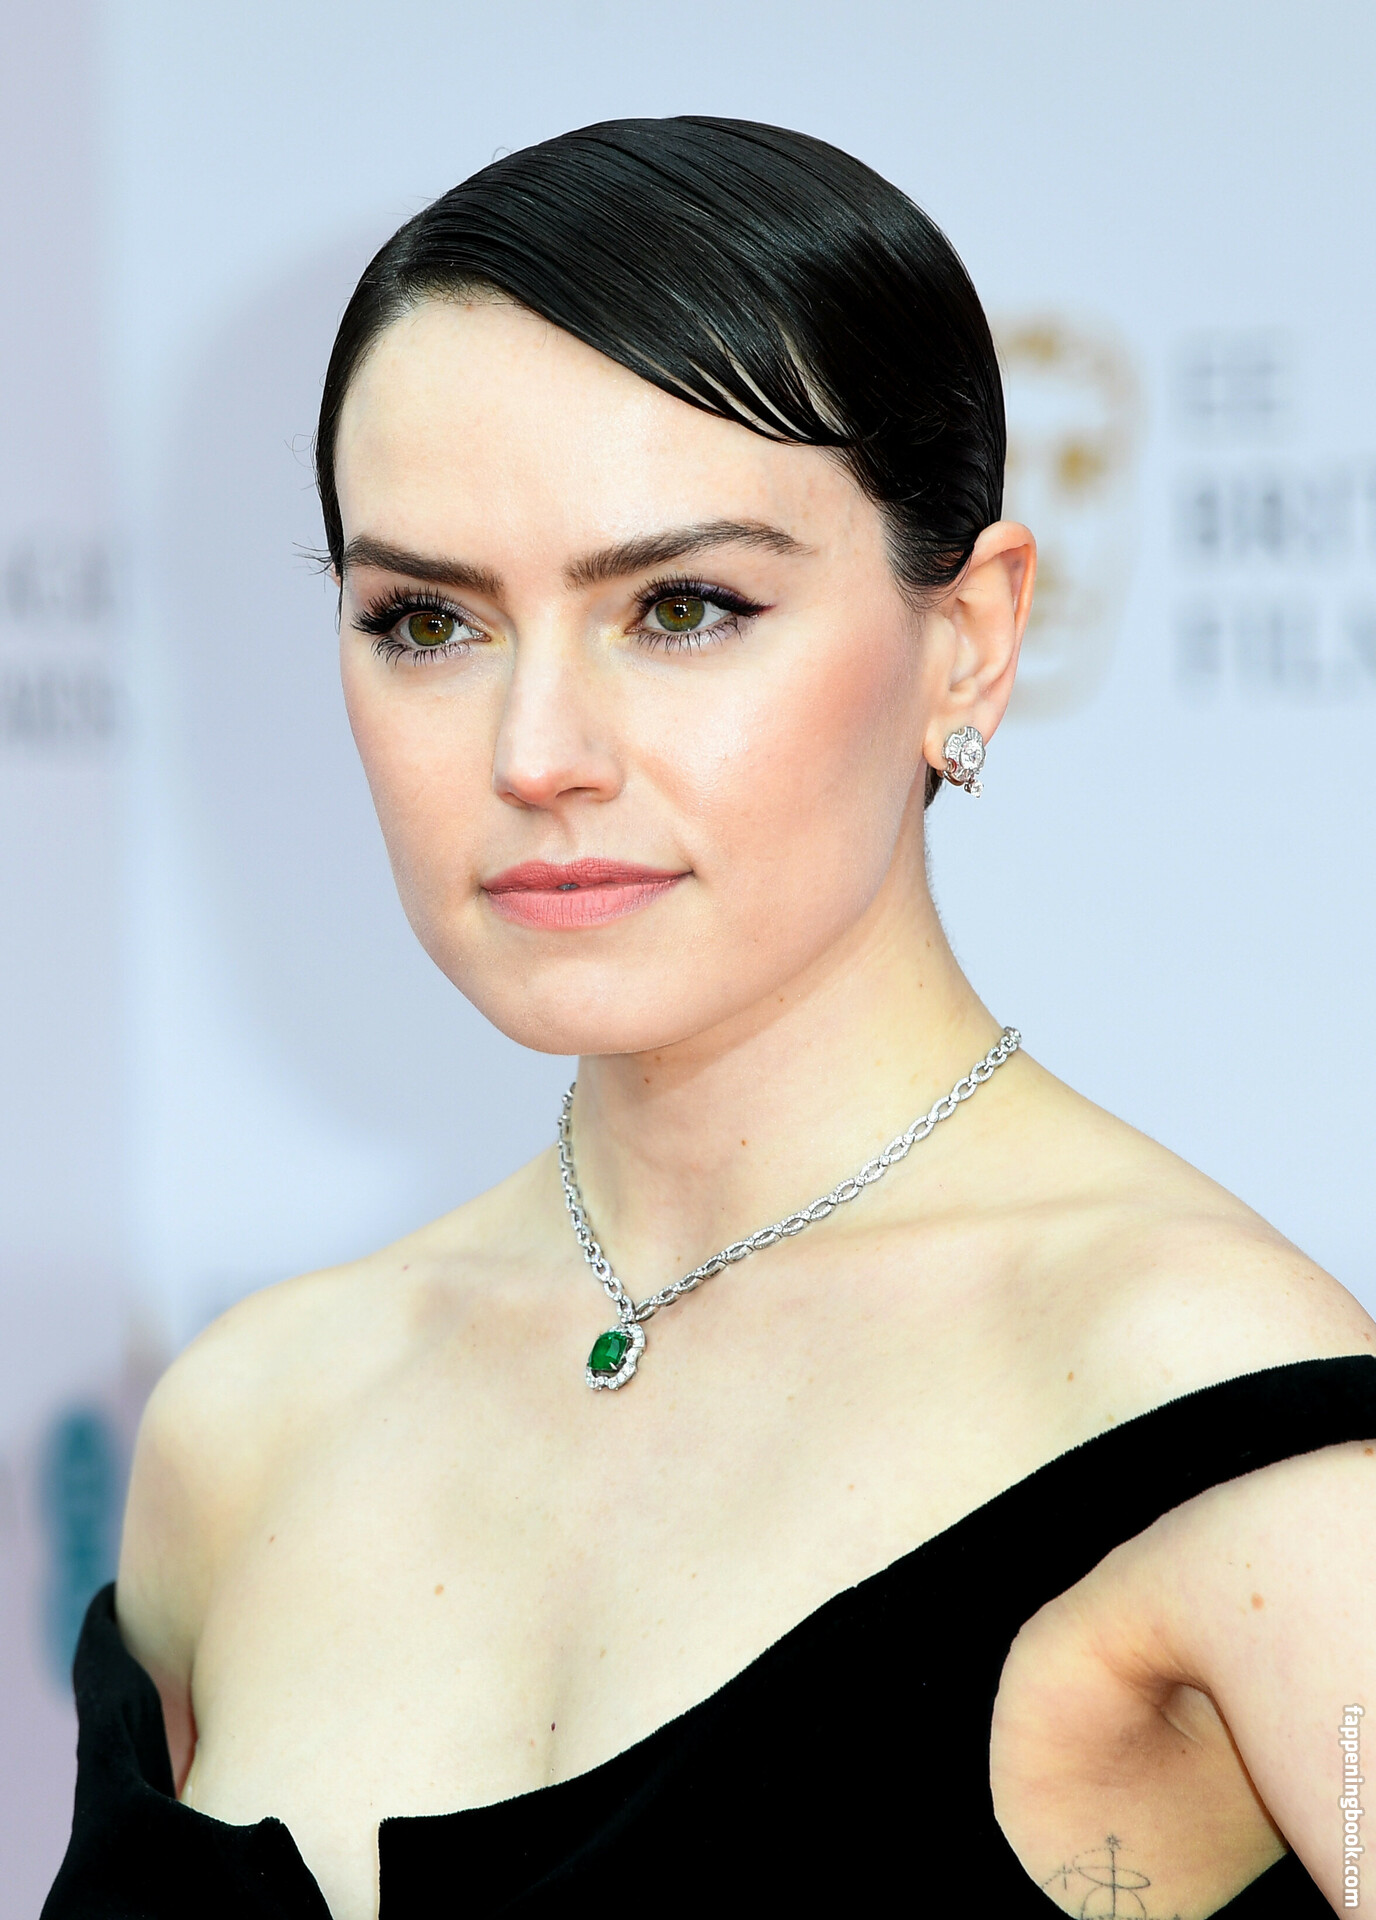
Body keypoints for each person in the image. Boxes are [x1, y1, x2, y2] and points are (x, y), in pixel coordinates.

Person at [44, 118, 1376, 1920]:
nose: (536, 755)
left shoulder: (1213, 1403)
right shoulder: (248, 1430)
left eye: (681, 608)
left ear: (971, 638)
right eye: (426, 622)